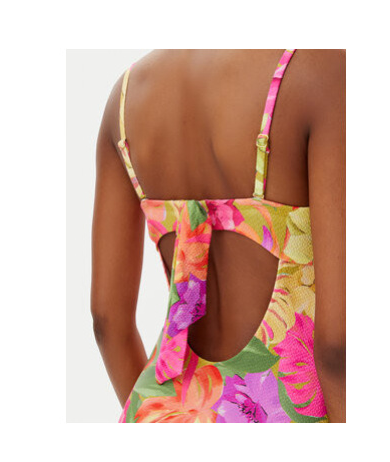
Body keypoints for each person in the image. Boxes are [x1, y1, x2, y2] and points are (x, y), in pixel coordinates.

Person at [91, 49, 346, 423]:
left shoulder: (125, 96)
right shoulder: (321, 69)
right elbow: (339, 344)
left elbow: (106, 321)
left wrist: (167, 416)